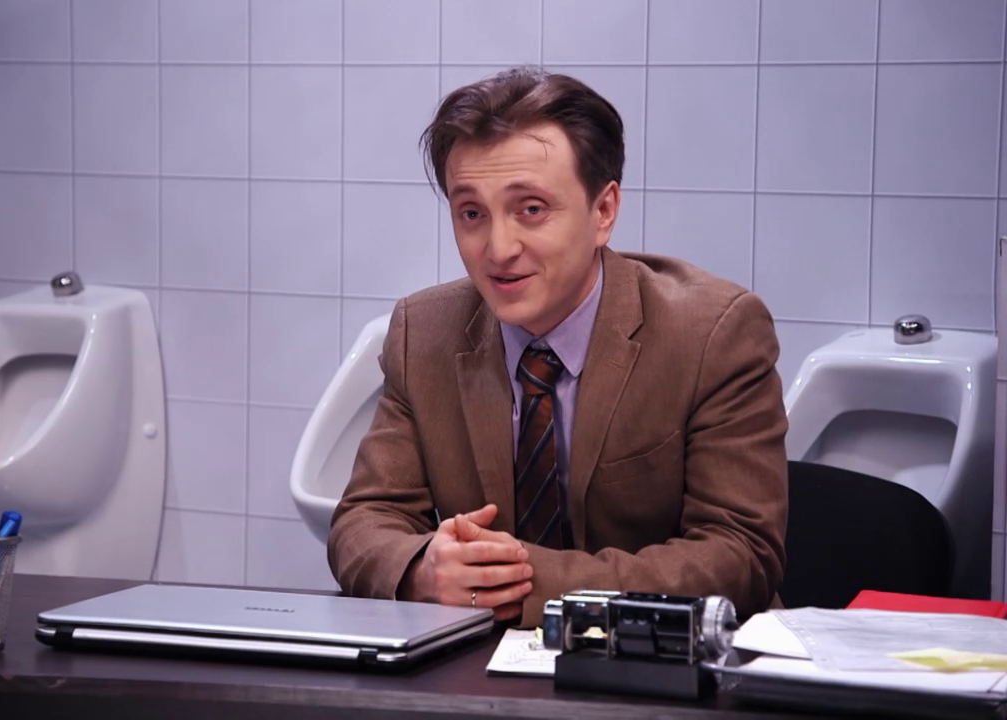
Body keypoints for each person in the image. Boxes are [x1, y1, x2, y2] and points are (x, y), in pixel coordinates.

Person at [326, 66, 788, 629]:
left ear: (604, 211)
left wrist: (527, 585)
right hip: (479, 662)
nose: (499, 249)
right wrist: (423, 568)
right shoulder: (422, 333)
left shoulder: (712, 333)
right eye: (471, 214)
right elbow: (364, 520)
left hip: (665, 660)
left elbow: (741, 554)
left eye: (532, 210)